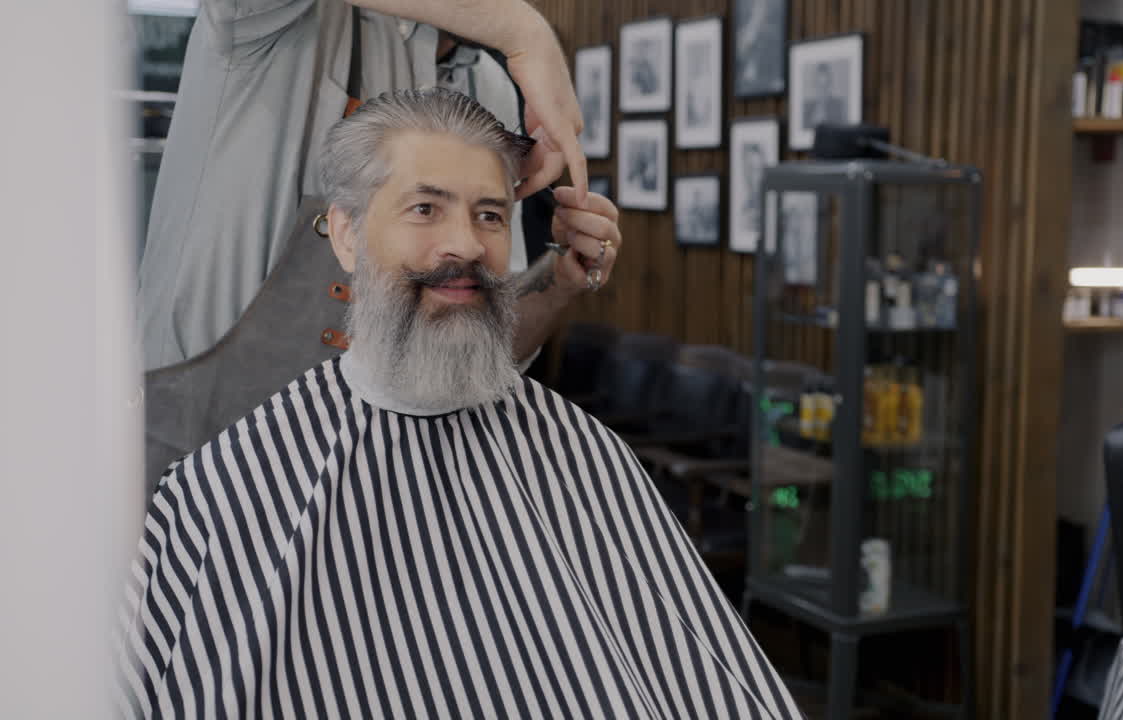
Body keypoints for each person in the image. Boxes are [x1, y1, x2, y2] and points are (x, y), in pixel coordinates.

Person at [117, 88, 802, 719]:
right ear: (348, 234)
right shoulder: (231, 484)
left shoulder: (577, 454)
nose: (468, 245)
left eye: (490, 215)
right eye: (425, 209)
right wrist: (525, 33)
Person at [136, 0, 600, 372]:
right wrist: (522, 29)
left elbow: (483, 343)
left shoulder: (490, 87)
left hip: (367, 460)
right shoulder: (270, 17)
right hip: (197, 435)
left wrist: (557, 280)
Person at [803, 62, 847, 129]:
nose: (822, 91)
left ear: (830, 84)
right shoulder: (807, 106)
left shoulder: (838, 105)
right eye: (819, 86)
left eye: (825, 86)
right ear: (814, 84)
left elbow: (841, 128)